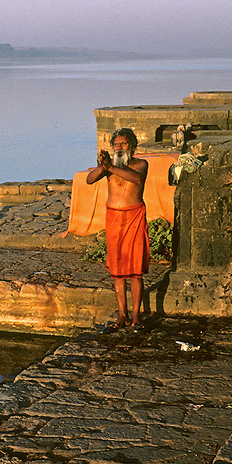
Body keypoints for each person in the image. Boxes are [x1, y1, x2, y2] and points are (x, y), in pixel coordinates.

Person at [85, 128, 149, 332]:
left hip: (134, 216)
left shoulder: (140, 164)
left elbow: (136, 179)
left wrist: (110, 167)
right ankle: (122, 315)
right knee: (117, 273)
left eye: (123, 143)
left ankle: (137, 316)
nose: (119, 147)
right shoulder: (109, 167)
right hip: (113, 218)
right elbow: (89, 180)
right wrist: (103, 167)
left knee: (135, 272)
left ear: (131, 145)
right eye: (116, 144)